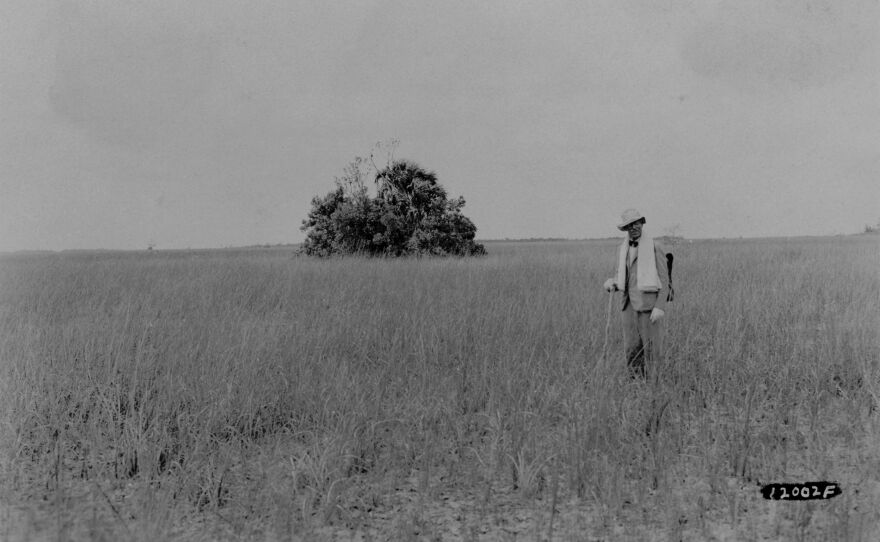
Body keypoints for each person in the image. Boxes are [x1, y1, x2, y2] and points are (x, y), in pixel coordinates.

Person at [603, 209, 672, 378]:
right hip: (627, 306)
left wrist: (659, 307)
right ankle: (635, 383)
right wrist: (612, 282)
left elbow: (665, 280)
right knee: (631, 347)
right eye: (629, 225)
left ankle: (654, 384)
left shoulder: (655, 247)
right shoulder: (622, 248)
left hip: (649, 307)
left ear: (642, 223)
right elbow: (622, 275)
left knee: (652, 348)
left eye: (636, 223)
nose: (634, 227)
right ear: (625, 229)